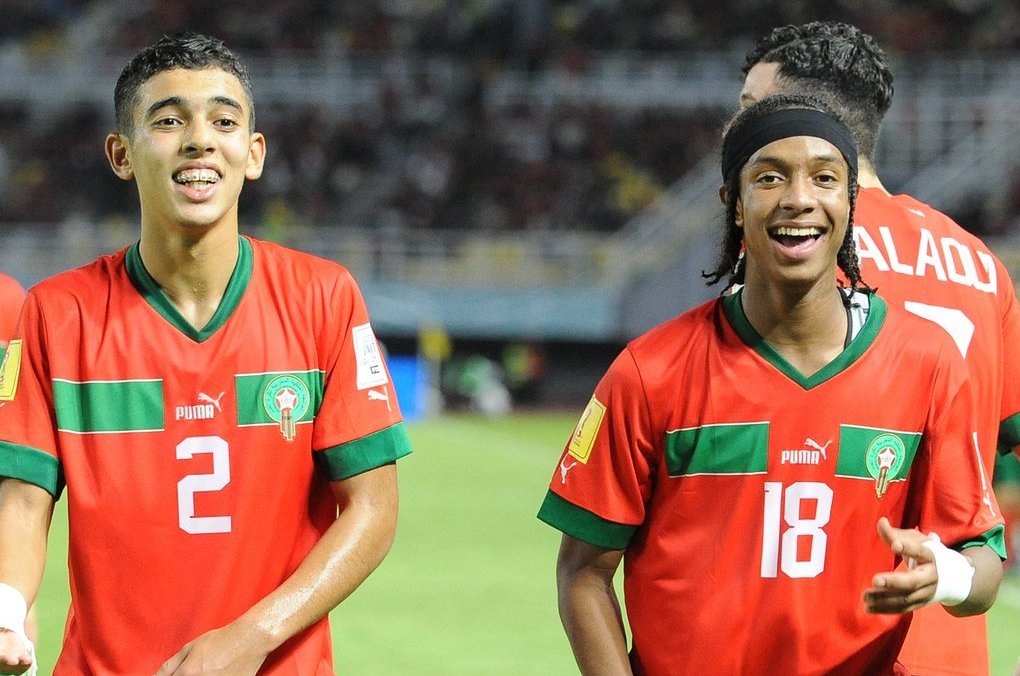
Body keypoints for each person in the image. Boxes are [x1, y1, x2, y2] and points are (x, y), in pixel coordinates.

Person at [537, 93, 1005, 675]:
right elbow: (582, 572)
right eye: (770, 177)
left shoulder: (926, 363)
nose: (799, 198)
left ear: (851, 202)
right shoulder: (649, 372)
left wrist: (950, 575)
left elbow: (981, 557)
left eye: (825, 178)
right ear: (734, 204)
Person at [0, 32, 412, 675]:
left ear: (254, 153)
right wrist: (6, 610)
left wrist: (254, 636)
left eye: (224, 121)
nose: (200, 139)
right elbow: (25, 498)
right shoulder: (56, 313)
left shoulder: (324, 298)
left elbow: (374, 507)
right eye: (169, 121)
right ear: (121, 154)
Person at [739, 21, 1020, 675]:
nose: (735, 131)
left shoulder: (798, 250)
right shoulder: (981, 265)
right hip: (953, 638)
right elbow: (1005, 431)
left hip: (831, 640)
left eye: (752, 110)